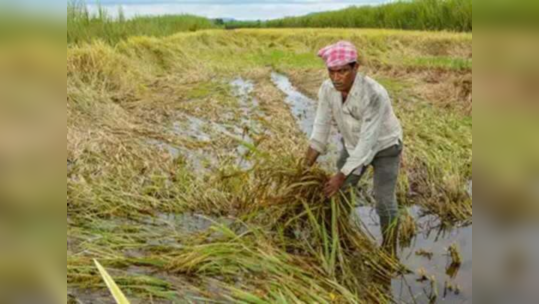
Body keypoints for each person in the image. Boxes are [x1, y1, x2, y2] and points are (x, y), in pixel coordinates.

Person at [303, 41, 403, 255]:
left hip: (385, 147)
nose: (336, 77)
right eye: (332, 71)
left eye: (343, 71)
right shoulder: (327, 89)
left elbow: (368, 143)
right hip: (353, 144)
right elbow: (320, 129)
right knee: (341, 193)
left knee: (384, 200)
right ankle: (340, 236)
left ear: (355, 68)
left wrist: (341, 175)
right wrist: (303, 167)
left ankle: (389, 250)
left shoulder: (374, 94)